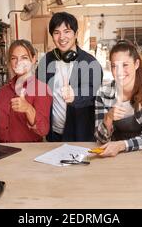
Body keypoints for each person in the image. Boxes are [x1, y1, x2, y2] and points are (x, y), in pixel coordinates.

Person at [36, 12, 103, 142]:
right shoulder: (47, 61)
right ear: (52, 36)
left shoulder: (90, 63)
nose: (62, 37)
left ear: (76, 34)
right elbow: (39, 91)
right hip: (53, 134)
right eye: (56, 32)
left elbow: (93, 91)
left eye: (67, 31)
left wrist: (75, 95)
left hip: (80, 135)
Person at [94, 40, 142, 157]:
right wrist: (108, 118)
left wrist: (121, 145)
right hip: (116, 154)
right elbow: (101, 139)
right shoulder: (103, 93)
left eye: (125, 65)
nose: (119, 71)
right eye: (114, 66)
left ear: (136, 64)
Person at [0, 40, 52, 143]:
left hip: (25, 153)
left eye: (24, 58)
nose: (19, 63)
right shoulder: (3, 91)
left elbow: (43, 130)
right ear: (10, 62)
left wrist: (28, 109)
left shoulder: (42, 89)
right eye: (14, 58)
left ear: (33, 59)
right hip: (1, 150)